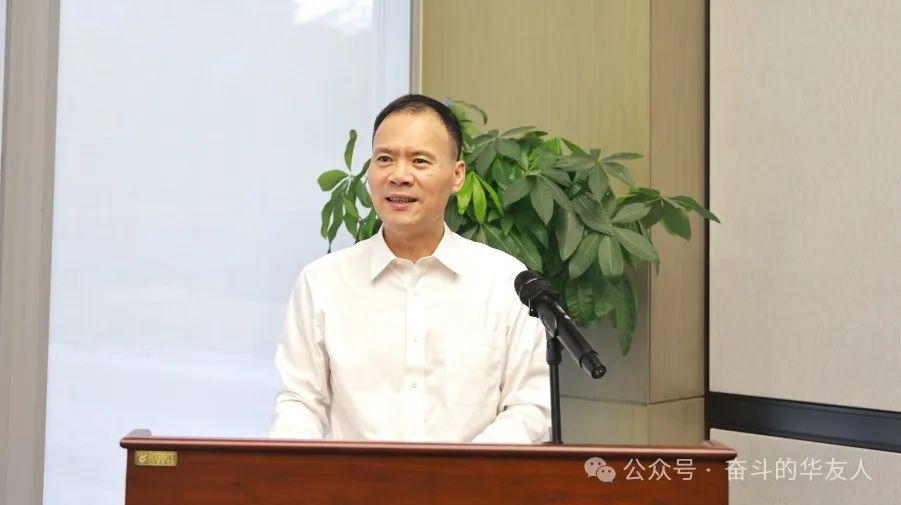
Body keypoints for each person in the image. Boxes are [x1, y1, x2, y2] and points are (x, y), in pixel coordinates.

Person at [269, 94, 550, 443]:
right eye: (384, 159)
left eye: (419, 161)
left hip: (473, 478)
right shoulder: (322, 282)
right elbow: (299, 401)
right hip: (354, 479)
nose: (399, 176)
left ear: (457, 175)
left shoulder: (506, 282)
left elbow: (530, 407)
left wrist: (463, 470)